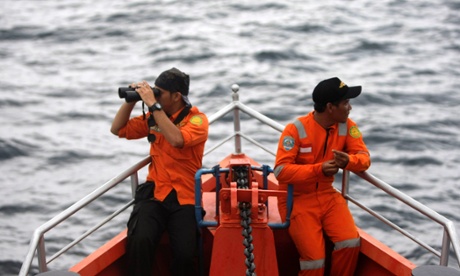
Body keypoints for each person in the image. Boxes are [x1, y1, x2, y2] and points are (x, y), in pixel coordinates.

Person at [110, 67, 209, 276]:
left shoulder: (197, 120)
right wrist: (131, 101)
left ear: (176, 96)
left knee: (185, 254)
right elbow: (118, 129)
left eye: (159, 92)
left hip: (185, 196)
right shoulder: (154, 118)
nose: (155, 96)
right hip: (156, 192)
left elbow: (177, 140)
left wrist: (153, 105)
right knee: (139, 240)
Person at [274, 77, 371, 276]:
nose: (350, 108)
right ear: (330, 107)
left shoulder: (346, 126)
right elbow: (281, 172)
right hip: (296, 199)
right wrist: (318, 170)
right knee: (315, 261)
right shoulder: (295, 129)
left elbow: (364, 158)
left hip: (328, 196)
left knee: (350, 242)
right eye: (345, 103)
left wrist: (348, 162)